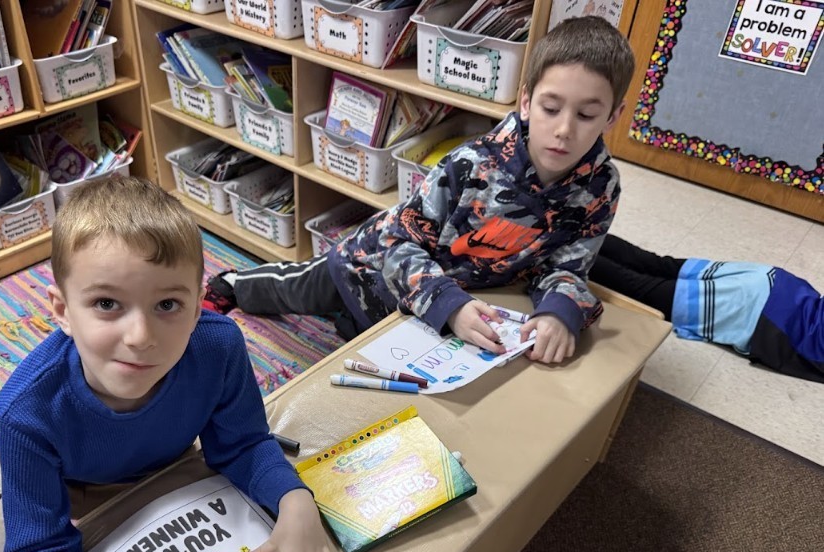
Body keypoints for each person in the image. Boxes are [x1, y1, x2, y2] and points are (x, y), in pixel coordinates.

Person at [0, 177, 343, 552]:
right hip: (53, 471)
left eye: (168, 305)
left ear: (198, 306)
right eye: (107, 304)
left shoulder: (218, 346)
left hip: (161, 461)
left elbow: (242, 444)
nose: (141, 336)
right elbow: (41, 549)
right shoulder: (24, 412)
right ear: (62, 311)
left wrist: (294, 499)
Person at [204, 16, 636, 364]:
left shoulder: (602, 187)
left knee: (363, 332)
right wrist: (449, 304)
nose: (563, 130)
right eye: (550, 107)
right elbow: (395, 241)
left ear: (612, 117)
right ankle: (230, 283)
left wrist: (560, 312)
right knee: (300, 287)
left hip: (444, 297)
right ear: (525, 102)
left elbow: (569, 267)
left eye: (586, 114)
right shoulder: (471, 164)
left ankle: (355, 320)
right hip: (369, 262)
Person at [591, 234, 824, 383]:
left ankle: (575, 228)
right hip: (759, 314)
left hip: (780, 284)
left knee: (656, 263)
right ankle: (563, 250)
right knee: (641, 288)